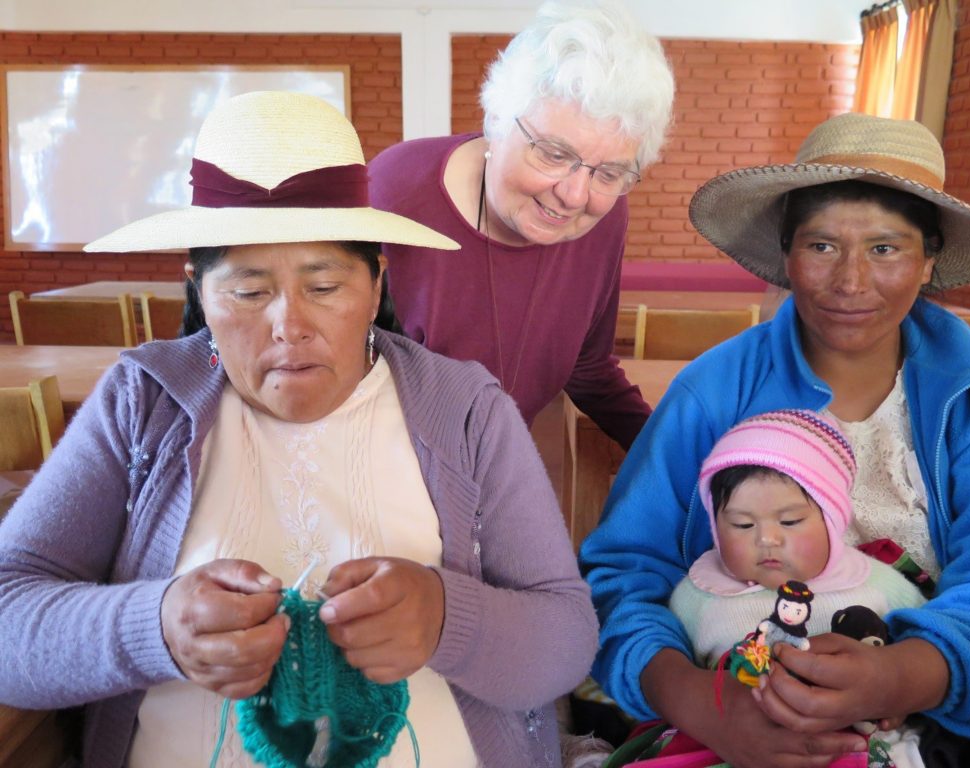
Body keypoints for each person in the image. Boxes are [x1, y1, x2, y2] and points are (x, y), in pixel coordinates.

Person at [0, 91, 598, 768]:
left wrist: (446, 619)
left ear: (375, 284)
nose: (289, 325)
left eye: (324, 285)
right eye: (249, 291)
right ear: (198, 289)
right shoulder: (144, 401)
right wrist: (155, 628)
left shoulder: (463, 409)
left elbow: (566, 636)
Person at [580, 112, 970, 768]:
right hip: (731, 709)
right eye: (820, 246)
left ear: (930, 260)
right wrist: (701, 701)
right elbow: (624, 571)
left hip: (930, 721)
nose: (849, 281)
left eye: (886, 247)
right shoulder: (712, 392)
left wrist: (905, 673)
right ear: (785, 256)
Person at [368, 0, 675, 449]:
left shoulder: (602, 220)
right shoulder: (394, 190)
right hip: (378, 467)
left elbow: (587, 368)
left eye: (608, 173)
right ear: (496, 120)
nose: (574, 196)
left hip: (497, 473)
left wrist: (679, 460)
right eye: (553, 154)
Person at [668, 409, 927, 768]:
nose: (767, 538)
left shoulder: (879, 585)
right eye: (742, 524)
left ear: (832, 517)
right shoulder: (696, 597)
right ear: (715, 524)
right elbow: (670, 677)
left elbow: (922, 652)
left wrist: (899, 696)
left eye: (790, 521)